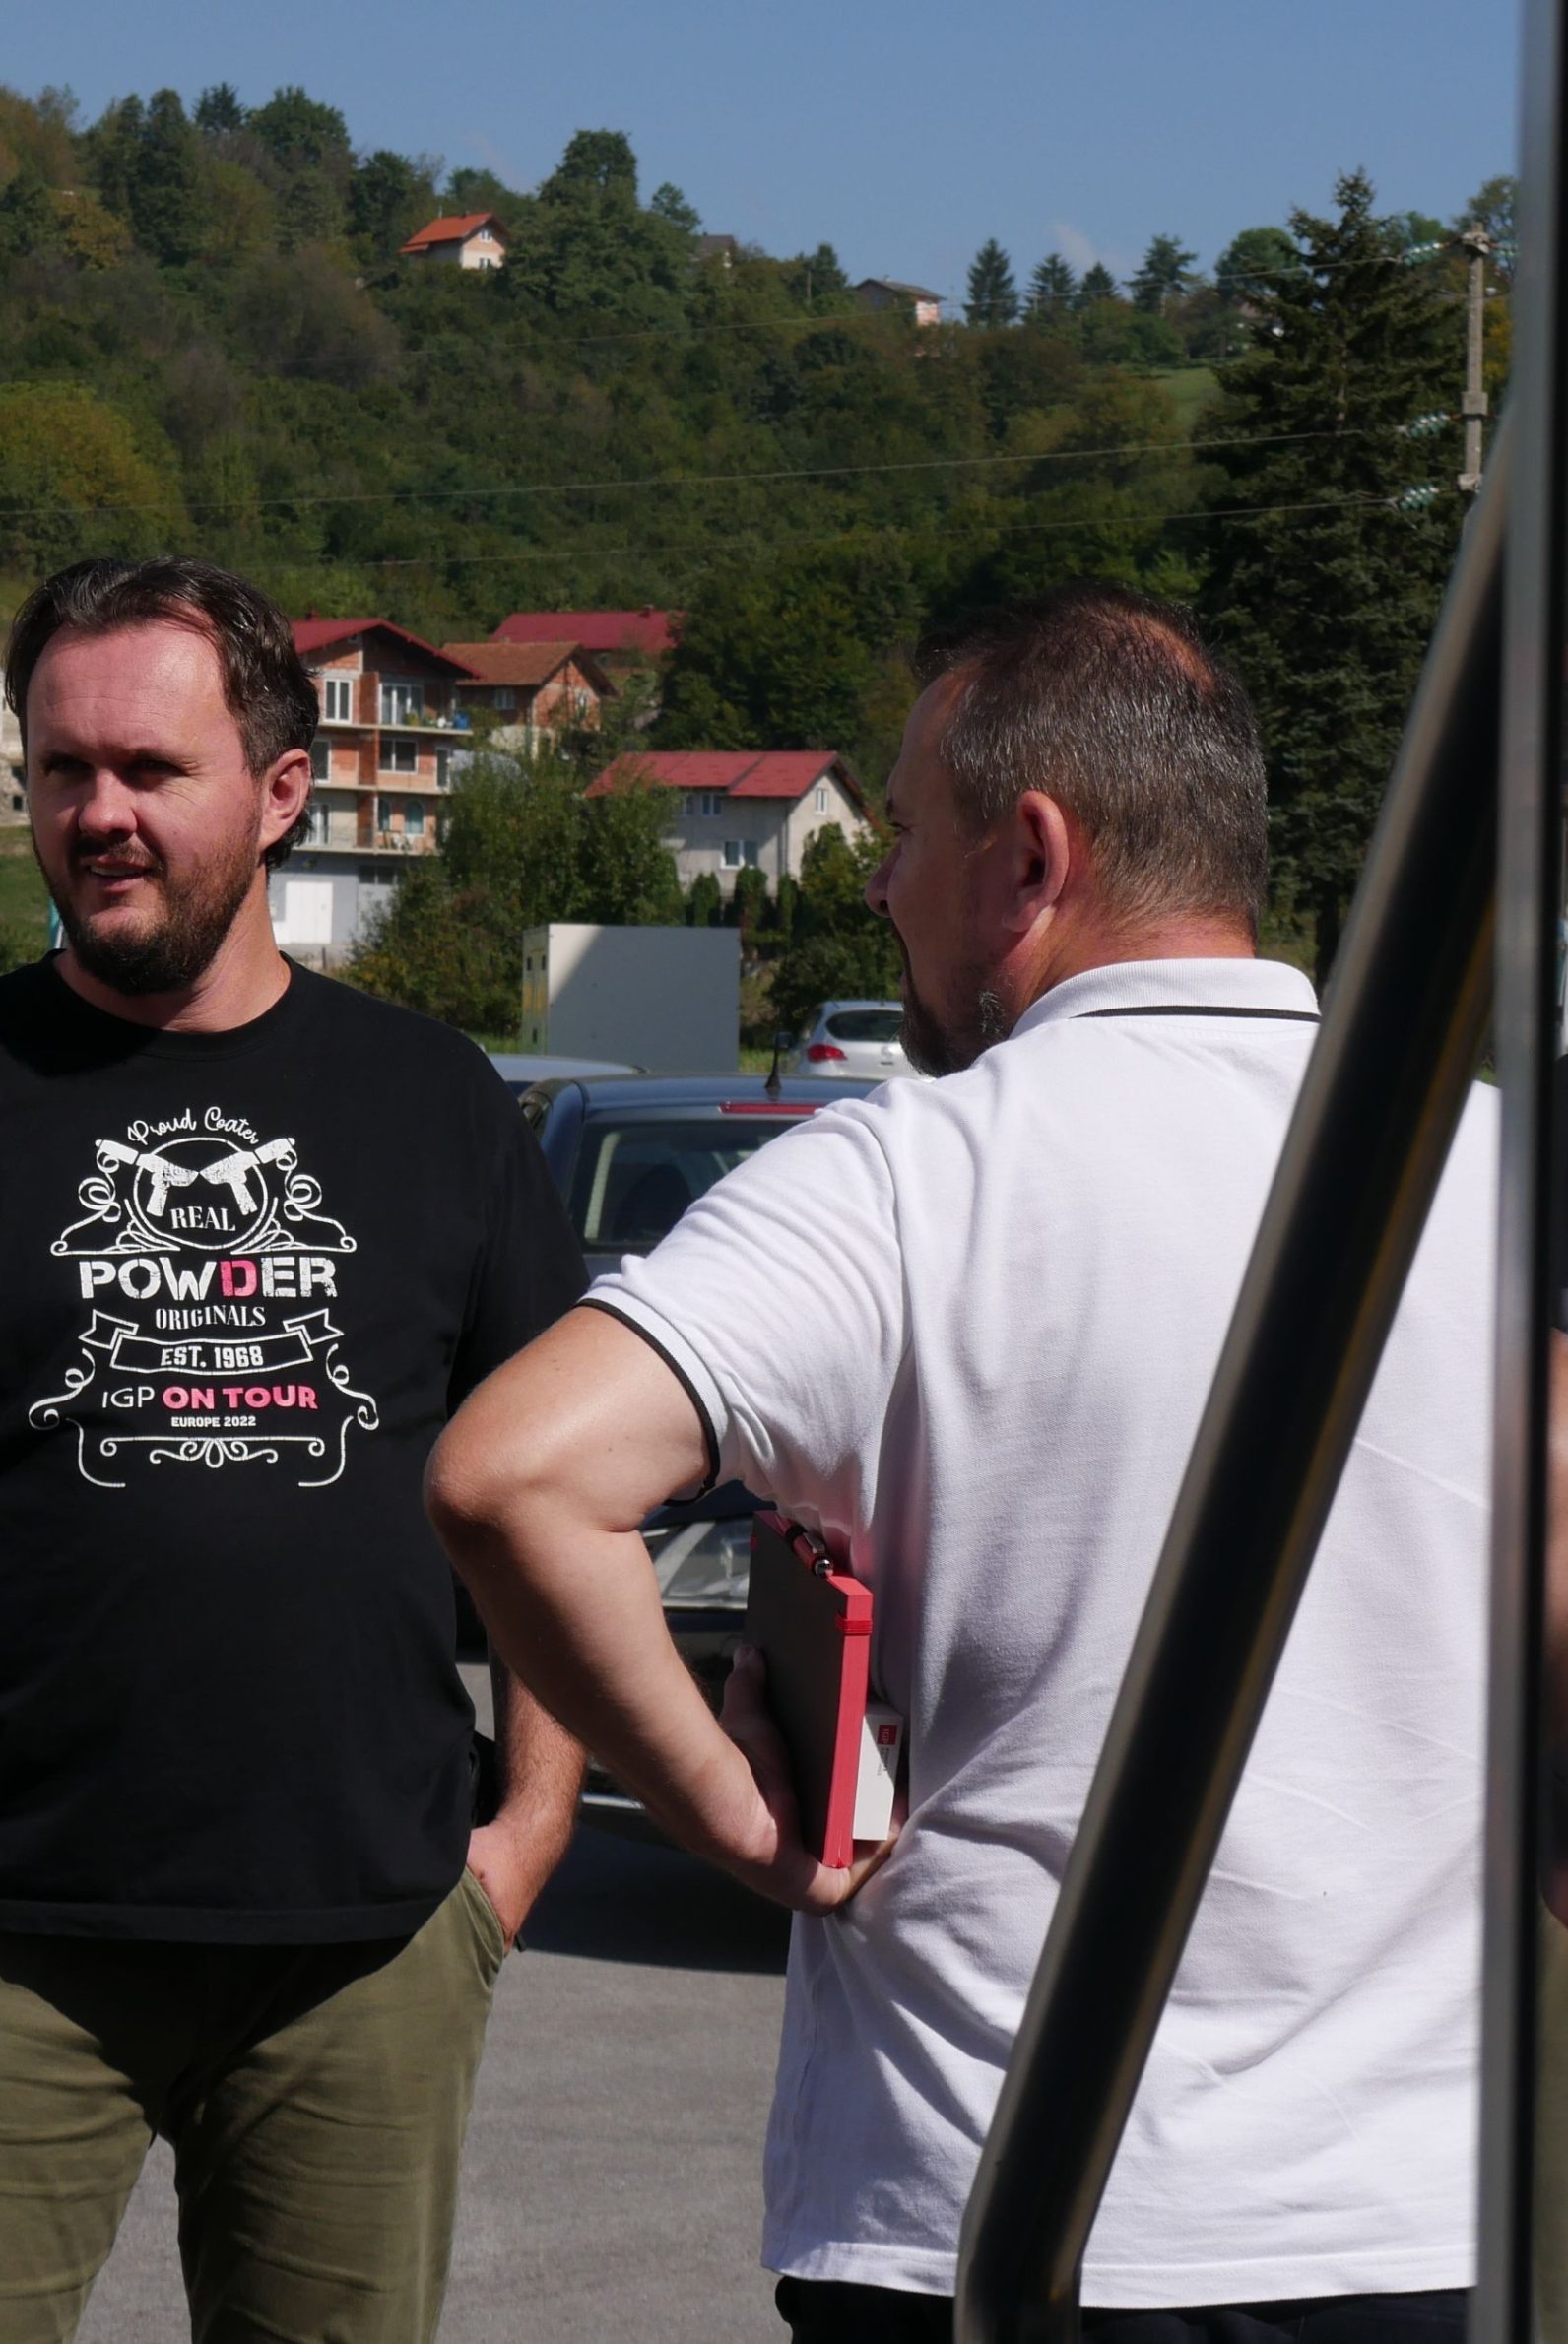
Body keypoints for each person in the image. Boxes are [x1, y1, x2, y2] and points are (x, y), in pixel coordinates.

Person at [426, 582, 1490, 2343]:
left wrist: (729, 1812)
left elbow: (511, 1473)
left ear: (1033, 856)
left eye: (909, 834)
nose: (879, 886)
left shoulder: (907, 1177)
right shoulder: (1488, 1166)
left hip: (995, 2222)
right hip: (1423, 2226)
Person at [0, 554, 587, 2344]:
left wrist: (523, 1840)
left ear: (281, 792)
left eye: (151, 769)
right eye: (63, 770)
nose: (99, 815)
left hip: (367, 1943)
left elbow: (554, 1500)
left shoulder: (436, 1105)